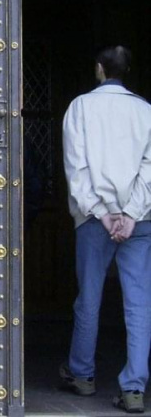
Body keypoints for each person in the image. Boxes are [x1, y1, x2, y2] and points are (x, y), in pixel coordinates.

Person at [60, 45, 151, 414]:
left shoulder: (81, 107)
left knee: (89, 299)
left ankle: (82, 375)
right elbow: (149, 167)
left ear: (99, 69)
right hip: (139, 221)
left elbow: (75, 167)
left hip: (94, 220)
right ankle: (133, 388)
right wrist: (130, 212)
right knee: (139, 304)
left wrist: (102, 212)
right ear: (126, 71)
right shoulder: (145, 111)